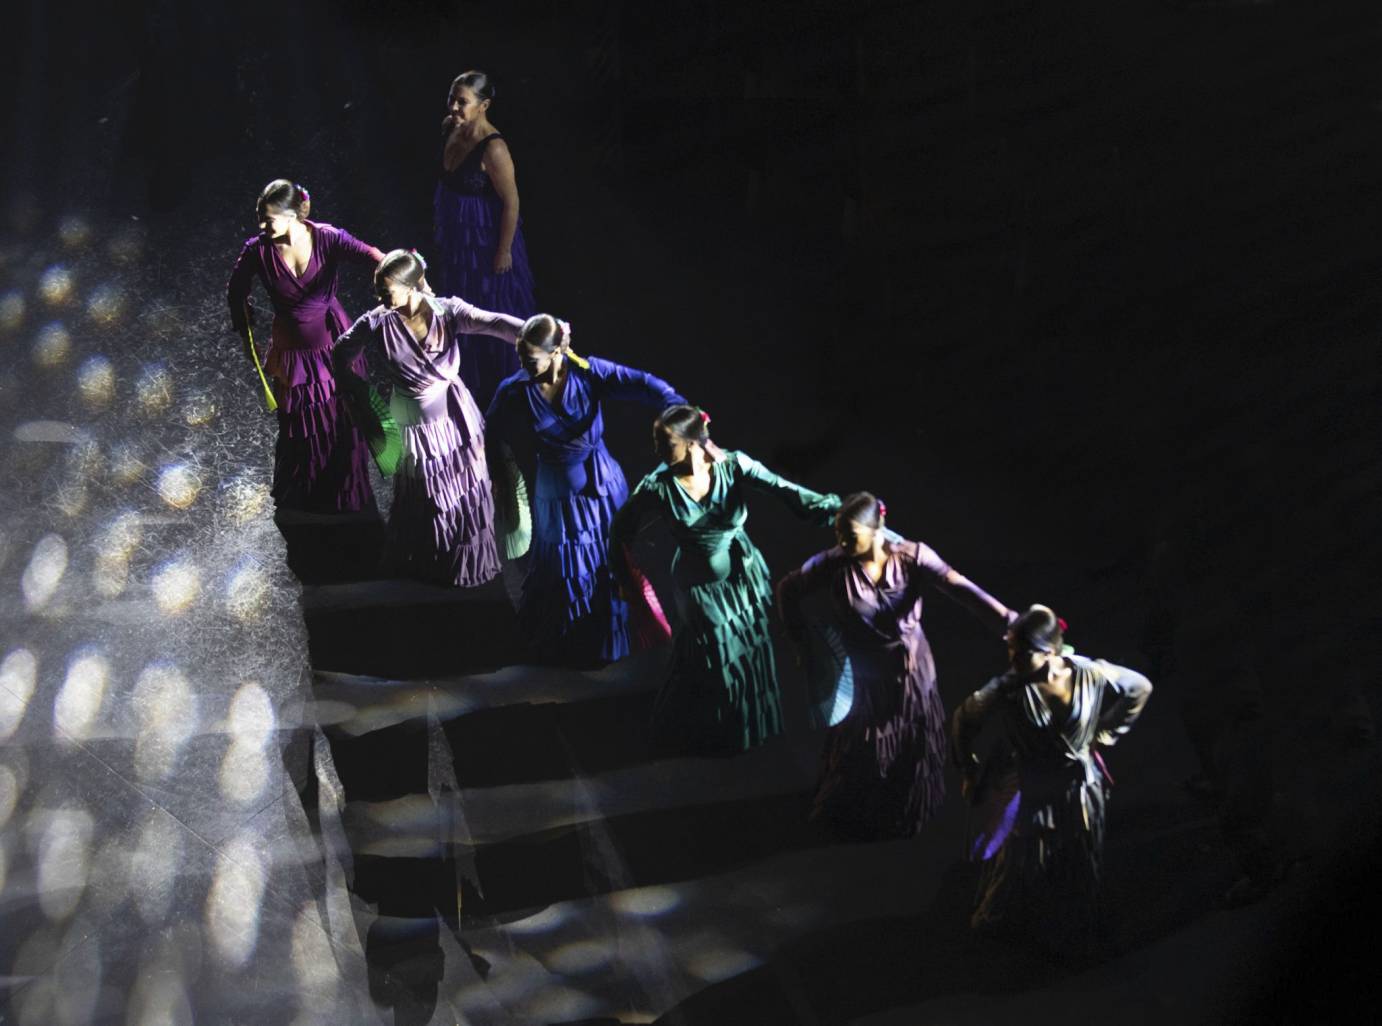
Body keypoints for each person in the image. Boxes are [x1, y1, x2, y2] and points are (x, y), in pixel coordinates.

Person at [777, 493, 1013, 841]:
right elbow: (788, 589)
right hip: (867, 677)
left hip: (911, 673)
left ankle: (904, 808)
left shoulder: (912, 557)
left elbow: (959, 587)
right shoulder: (834, 564)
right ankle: (860, 808)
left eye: (851, 536)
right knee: (862, 746)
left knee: (911, 742)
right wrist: (802, 643)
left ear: (877, 529)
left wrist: (1009, 621)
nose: (843, 544)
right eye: (839, 536)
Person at [609, 406, 841, 755]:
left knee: (745, 651)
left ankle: (736, 727)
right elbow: (620, 533)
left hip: (743, 575)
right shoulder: (658, 486)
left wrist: (834, 509)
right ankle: (695, 729)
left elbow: (784, 489)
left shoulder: (732, 465)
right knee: (715, 658)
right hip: (697, 586)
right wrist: (627, 579)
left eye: (665, 443)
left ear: (691, 443)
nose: (656, 450)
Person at [486, 314, 686, 666]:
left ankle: (610, 638)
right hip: (558, 495)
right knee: (566, 566)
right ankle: (571, 641)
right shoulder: (516, 390)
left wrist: (676, 410)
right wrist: (501, 471)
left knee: (610, 561)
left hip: (601, 487)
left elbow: (644, 383)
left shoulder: (588, 373)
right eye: (521, 358)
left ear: (556, 352)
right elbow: (492, 430)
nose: (523, 365)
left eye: (530, 359)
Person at [951, 605, 1152, 953]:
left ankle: (1076, 926)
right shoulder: (1007, 688)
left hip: (1080, 788)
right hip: (1036, 789)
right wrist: (968, 770)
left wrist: (1106, 733)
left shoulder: (1088, 672)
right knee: (1023, 856)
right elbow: (963, 719)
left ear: (1049, 652)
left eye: (1022, 653)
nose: (1013, 659)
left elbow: (1139, 687)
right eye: (1011, 650)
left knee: (1080, 855)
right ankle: (1003, 919)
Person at [332, 250, 524, 586]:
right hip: (415, 424)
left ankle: (466, 562)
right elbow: (340, 352)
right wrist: (356, 392)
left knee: (466, 486)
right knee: (429, 493)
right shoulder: (376, 321)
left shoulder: (446, 311)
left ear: (410, 287)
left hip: (455, 414)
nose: (379, 297)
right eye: (378, 290)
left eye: (386, 291)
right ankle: (432, 561)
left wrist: (535, 334)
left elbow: (495, 323)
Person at [226, 179, 383, 512]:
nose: (262, 226)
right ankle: (312, 498)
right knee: (303, 427)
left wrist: (408, 285)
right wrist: (245, 334)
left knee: (345, 416)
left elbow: (374, 257)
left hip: (334, 341)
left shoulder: (327, 237)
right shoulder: (257, 250)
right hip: (295, 354)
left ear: (292, 215)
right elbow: (236, 290)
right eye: (259, 218)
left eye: (269, 219)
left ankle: (347, 493)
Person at [434, 70, 536, 409]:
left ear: (484, 105)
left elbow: (512, 202)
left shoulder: (494, 148)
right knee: (461, 299)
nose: (454, 107)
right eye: (452, 98)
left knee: (492, 301)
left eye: (462, 102)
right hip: (458, 234)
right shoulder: (450, 127)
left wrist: (503, 250)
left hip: (485, 237)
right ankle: (469, 382)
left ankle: (506, 390)